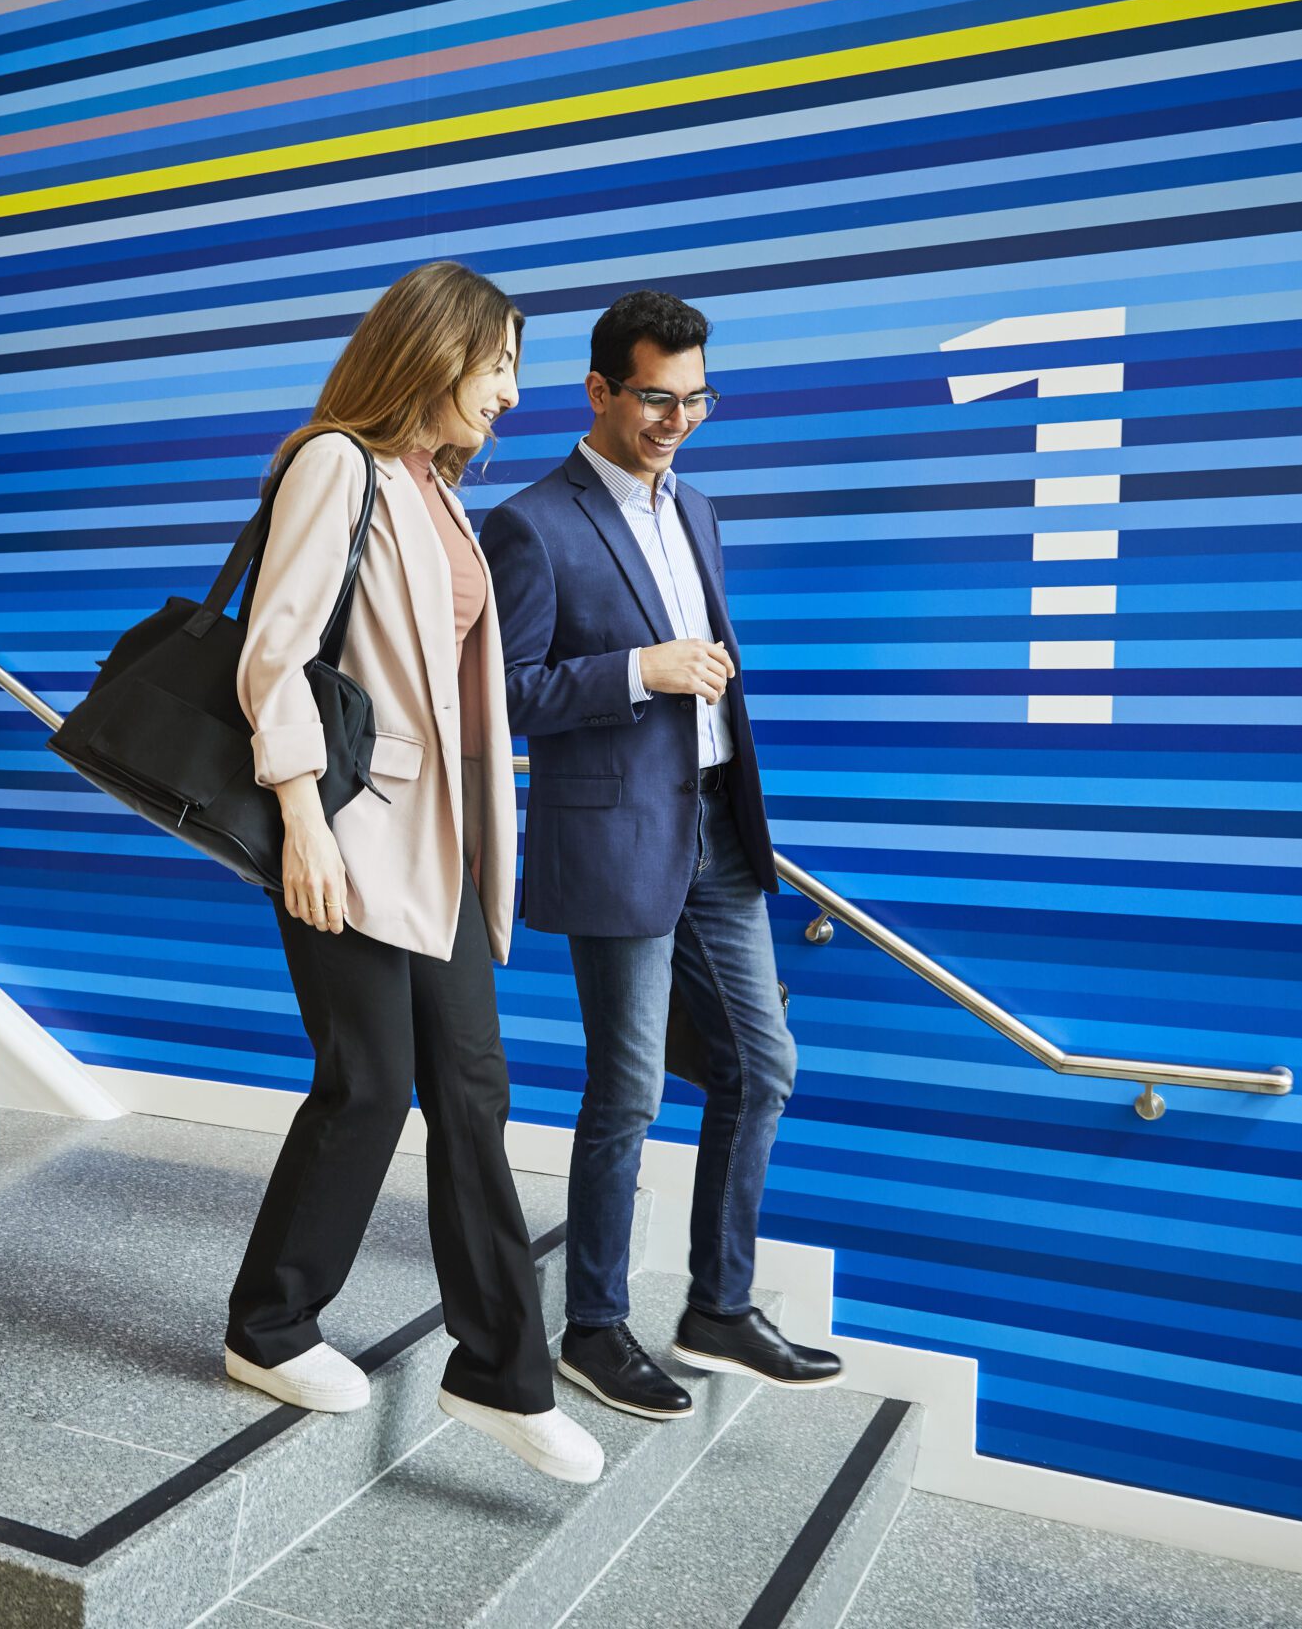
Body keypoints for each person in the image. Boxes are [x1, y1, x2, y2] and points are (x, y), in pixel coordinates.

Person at [224, 262, 603, 1485]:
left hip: (433, 849)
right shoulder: (335, 461)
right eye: (495, 367)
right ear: (433, 354)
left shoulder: (434, 490)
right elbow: (273, 656)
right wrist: (302, 820)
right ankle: (268, 1326)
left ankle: (499, 1369)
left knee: (473, 1092)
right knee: (369, 1085)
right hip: (345, 827)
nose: (505, 394)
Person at [481, 289, 842, 1423]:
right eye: (654, 397)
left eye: (696, 399)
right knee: (627, 1091)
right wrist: (643, 670)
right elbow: (499, 695)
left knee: (760, 1067)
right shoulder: (533, 523)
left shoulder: (699, 509)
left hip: (721, 832)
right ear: (597, 390)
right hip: (615, 841)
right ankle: (592, 1324)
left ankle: (717, 1306)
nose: (676, 418)